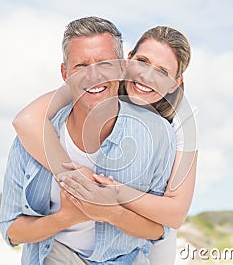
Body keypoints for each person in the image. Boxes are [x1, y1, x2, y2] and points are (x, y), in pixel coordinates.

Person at [13, 25, 198, 264]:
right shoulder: (99, 85)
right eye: (142, 61)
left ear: (175, 82)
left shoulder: (182, 118)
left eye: (162, 72)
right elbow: (26, 121)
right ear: (127, 60)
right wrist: (75, 175)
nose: (147, 76)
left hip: (152, 233)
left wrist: (114, 196)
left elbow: (175, 213)